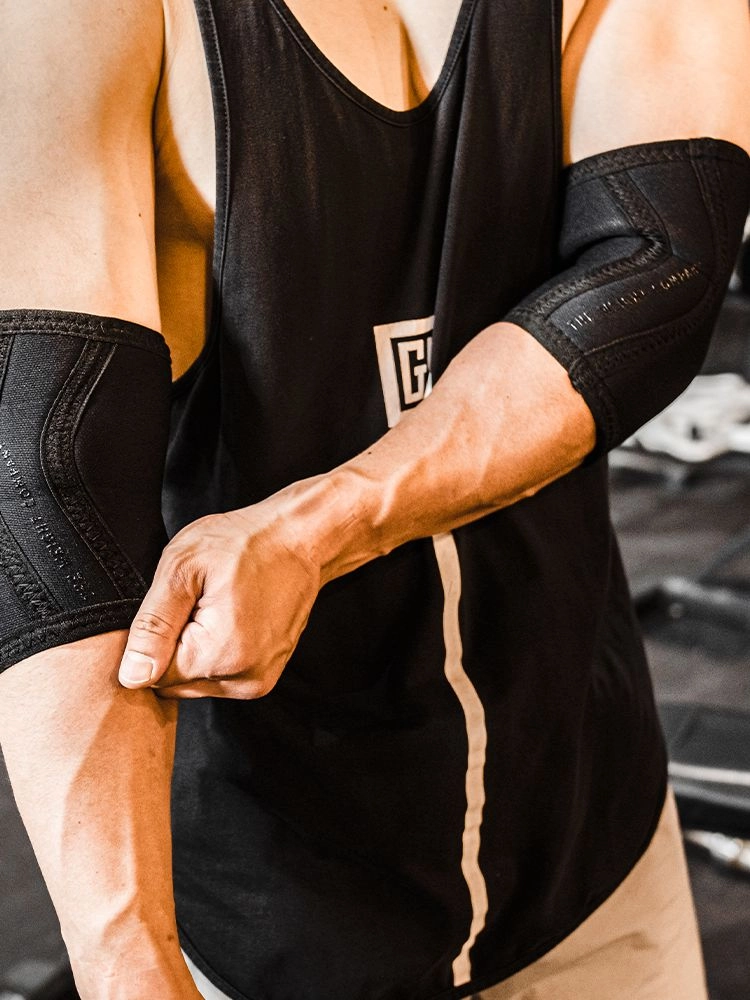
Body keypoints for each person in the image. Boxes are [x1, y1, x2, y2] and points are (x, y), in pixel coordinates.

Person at [0, 1, 748, 998]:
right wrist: (126, 960)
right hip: (269, 895)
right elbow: (52, 480)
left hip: (586, 835)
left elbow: (657, 263)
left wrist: (320, 526)